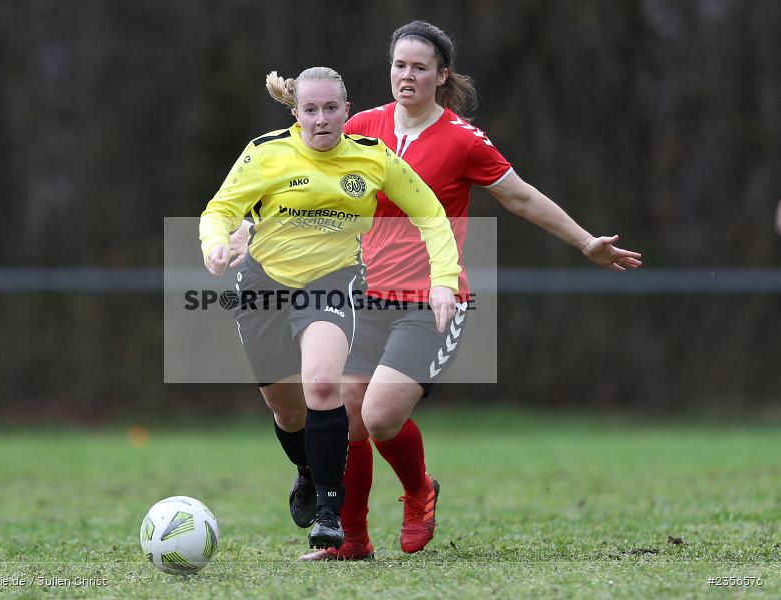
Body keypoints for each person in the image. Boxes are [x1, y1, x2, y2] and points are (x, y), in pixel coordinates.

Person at [233, 22, 643, 561]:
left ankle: (419, 491)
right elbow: (298, 179)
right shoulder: (360, 126)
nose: (408, 75)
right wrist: (249, 228)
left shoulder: (462, 140)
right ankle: (350, 541)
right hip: (361, 296)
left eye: (420, 67)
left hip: (431, 302)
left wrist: (587, 242)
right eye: (399, 65)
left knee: (379, 415)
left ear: (440, 75)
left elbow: (520, 199)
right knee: (347, 412)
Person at [200, 66, 462, 551]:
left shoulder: (372, 159)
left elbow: (430, 212)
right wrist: (216, 244)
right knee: (287, 411)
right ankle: (306, 469)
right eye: (310, 110)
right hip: (262, 286)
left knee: (323, 384)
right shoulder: (266, 153)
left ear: (347, 111)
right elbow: (221, 209)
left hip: (332, 282)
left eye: (330, 109)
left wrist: (444, 280)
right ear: (296, 115)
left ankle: (329, 514)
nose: (321, 120)